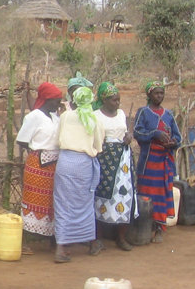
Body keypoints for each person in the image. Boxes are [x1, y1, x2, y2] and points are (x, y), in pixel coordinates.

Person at [52, 86, 105, 263]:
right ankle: (91, 242)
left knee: (63, 204)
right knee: (84, 204)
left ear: (73, 100)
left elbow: (57, 139)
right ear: (90, 101)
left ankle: (61, 247)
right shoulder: (94, 119)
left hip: (65, 163)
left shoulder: (65, 116)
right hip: (83, 165)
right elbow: (98, 145)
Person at [16, 82, 63, 249]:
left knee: (52, 202)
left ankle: (53, 238)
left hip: (55, 166)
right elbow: (22, 140)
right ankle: (24, 240)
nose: (59, 104)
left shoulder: (56, 117)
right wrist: (35, 152)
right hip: (38, 165)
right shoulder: (35, 116)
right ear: (47, 100)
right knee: (33, 201)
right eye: (57, 101)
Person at [134, 81, 182, 241]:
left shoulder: (168, 115)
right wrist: (154, 134)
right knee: (146, 194)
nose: (159, 96)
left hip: (164, 162)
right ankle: (146, 227)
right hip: (148, 162)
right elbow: (137, 133)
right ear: (149, 95)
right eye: (156, 93)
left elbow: (178, 136)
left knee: (162, 193)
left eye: (162, 93)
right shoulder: (143, 112)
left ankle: (160, 228)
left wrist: (173, 142)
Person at [93, 82, 136, 251]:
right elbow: (96, 138)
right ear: (104, 100)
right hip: (105, 160)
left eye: (118, 100)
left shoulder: (121, 114)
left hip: (123, 162)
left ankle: (121, 237)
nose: (117, 103)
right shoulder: (96, 115)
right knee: (101, 197)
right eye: (113, 100)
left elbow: (125, 131)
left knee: (124, 196)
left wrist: (129, 136)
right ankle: (98, 238)